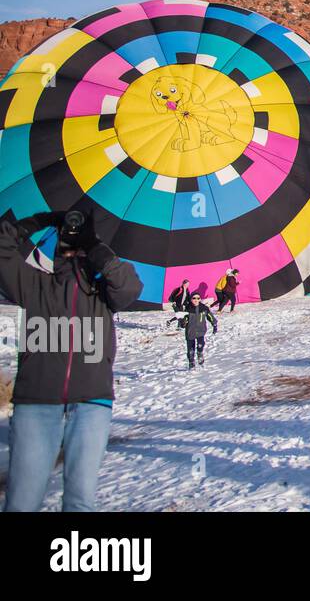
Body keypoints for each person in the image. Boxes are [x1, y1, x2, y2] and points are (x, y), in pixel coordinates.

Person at [0, 209, 143, 512]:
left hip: (91, 405)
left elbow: (130, 286)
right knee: (22, 502)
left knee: (80, 501)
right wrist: (40, 220)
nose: (74, 251)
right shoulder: (34, 285)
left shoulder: (104, 294)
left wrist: (94, 246)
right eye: (69, 245)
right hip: (36, 405)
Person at [178, 292, 218, 369]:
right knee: (190, 350)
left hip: (200, 330)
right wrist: (183, 323)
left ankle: (200, 354)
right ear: (191, 299)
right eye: (194, 298)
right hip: (190, 331)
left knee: (200, 345)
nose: (196, 300)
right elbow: (182, 321)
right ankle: (191, 362)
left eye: (198, 298)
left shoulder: (204, 308)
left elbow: (210, 316)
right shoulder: (187, 309)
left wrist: (214, 324)